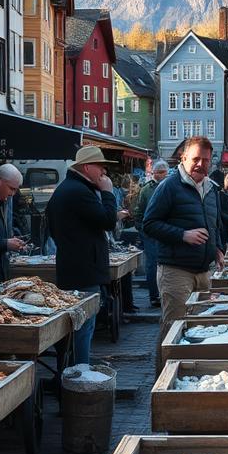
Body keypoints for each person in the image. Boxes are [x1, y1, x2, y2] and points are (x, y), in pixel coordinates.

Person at [143, 136, 224, 363]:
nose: (200, 164)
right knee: (173, 329)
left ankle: (190, 373)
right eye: (196, 159)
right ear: (184, 158)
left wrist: (217, 248)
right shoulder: (169, 186)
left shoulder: (211, 188)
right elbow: (149, 224)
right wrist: (182, 235)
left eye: (205, 160)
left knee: (199, 328)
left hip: (203, 271)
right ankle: (163, 380)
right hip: (176, 271)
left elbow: (213, 224)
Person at [46, 146, 121, 365]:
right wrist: (108, 193)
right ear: (87, 167)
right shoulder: (78, 191)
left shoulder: (69, 188)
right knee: (84, 325)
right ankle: (80, 371)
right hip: (83, 272)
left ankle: (75, 368)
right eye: (100, 166)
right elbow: (108, 220)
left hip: (75, 267)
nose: (104, 172)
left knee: (78, 327)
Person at [135, 160, 168, 309]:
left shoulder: (170, 186)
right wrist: (142, 229)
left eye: (164, 172)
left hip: (166, 232)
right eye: (160, 172)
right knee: (152, 264)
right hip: (150, 233)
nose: (163, 175)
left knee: (166, 264)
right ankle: (154, 296)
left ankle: (165, 294)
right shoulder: (146, 189)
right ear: (154, 173)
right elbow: (139, 211)